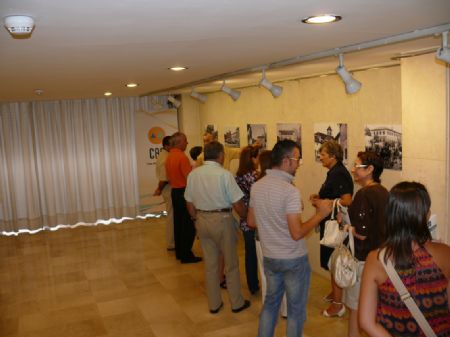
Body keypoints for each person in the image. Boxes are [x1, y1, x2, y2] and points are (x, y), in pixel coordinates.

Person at [248, 139, 332, 337]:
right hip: (293, 260)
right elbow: (297, 233)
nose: (298, 165)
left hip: (270, 257)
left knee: (270, 305)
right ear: (286, 161)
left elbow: (251, 221)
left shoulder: (257, 186)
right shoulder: (290, 191)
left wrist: (273, 225)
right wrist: (320, 214)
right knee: (295, 311)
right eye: (297, 160)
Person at [359, 182, 450, 337]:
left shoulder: (376, 259)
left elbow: (366, 322)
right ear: (426, 215)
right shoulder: (445, 253)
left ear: (390, 216)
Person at [185, 141, 251, 314]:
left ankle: (214, 304)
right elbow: (237, 203)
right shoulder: (225, 175)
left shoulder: (193, 174)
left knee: (211, 265)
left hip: (201, 220)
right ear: (221, 155)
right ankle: (236, 303)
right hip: (222, 219)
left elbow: (189, 202)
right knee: (231, 264)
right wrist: (246, 216)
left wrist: (195, 219)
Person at [343, 151, 389, 337]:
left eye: (357, 166)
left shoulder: (364, 194)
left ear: (370, 169)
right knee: (375, 310)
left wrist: (346, 226)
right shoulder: (384, 192)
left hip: (364, 261)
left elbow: (361, 234)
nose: (353, 169)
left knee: (356, 308)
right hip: (383, 259)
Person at [310, 140, 353, 317]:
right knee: (330, 261)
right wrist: (318, 197)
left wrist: (323, 202)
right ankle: (334, 293)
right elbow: (332, 194)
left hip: (334, 225)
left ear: (333, 156)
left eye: (323, 154)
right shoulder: (333, 172)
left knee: (333, 262)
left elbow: (347, 200)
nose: (320, 157)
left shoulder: (339, 173)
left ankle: (337, 305)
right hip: (329, 224)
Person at [254, 150, 288, 318]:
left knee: (267, 275)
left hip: (263, 238)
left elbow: (252, 221)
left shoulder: (257, 185)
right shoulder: (287, 185)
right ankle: (287, 310)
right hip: (283, 239)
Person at [165, 132, 201, 264]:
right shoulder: (182, 157)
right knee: (188, 224)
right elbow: (189, 178)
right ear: (179, 142)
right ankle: (187, 255)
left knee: (178, 223)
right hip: (184, 192)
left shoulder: (169, 156)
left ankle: (180, 252)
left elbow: (169, 177)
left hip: (174, 191)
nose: (187, 143)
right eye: (185, 141)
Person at [235, 145, 260, 294]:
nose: (259, 161)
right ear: (252, 158)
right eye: (257, 157)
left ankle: (253, 284)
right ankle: (255, 284)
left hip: (245, 220)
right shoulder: (253, 177)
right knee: (257, 255)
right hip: (255, 220)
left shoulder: (238, 175)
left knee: (249, 254)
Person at [153, 135, 175, 250]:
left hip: (169, 188)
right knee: (171, 216)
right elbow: (164, 178)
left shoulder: (166, 155)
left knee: (173, 216)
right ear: (166, 146)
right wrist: (159, 189)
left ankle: (173, 242)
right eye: (172, 144)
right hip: (169, 189)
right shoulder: (165, 158)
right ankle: (171, 243)